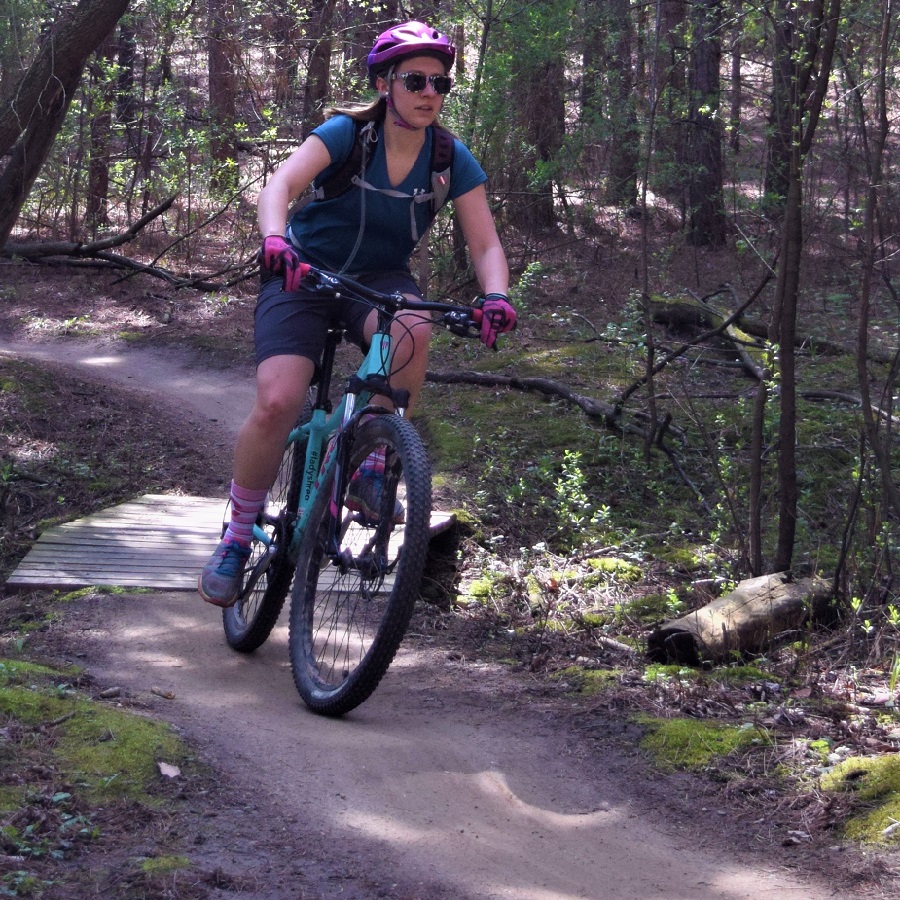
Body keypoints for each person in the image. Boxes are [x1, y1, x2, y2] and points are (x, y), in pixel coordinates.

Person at [199, 20, 515, 607]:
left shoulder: (449, 158)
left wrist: (495, 295)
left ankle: (369, 459)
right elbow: (280, 186)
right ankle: (238, 537)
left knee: (415, 325)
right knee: (278, 400)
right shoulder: (348, 134)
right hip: (304, 271)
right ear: (383, 83)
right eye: (415, 80)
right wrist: (276, 240)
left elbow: (485, 244)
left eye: (440, 83)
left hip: (376, 279)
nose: (429, 93)